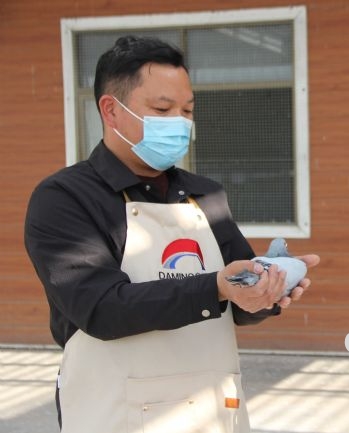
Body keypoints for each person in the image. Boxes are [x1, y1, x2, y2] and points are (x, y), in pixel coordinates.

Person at [24, 35, 319, 433]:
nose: (180, 122)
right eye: (163, 109)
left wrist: (266, 291)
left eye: (187, 110)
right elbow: (101, 309)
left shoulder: (205, 195)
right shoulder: (65, 198)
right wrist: (215, 286)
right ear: (111, 110)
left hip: (213, 413)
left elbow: (236, 302)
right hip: (114, 415)